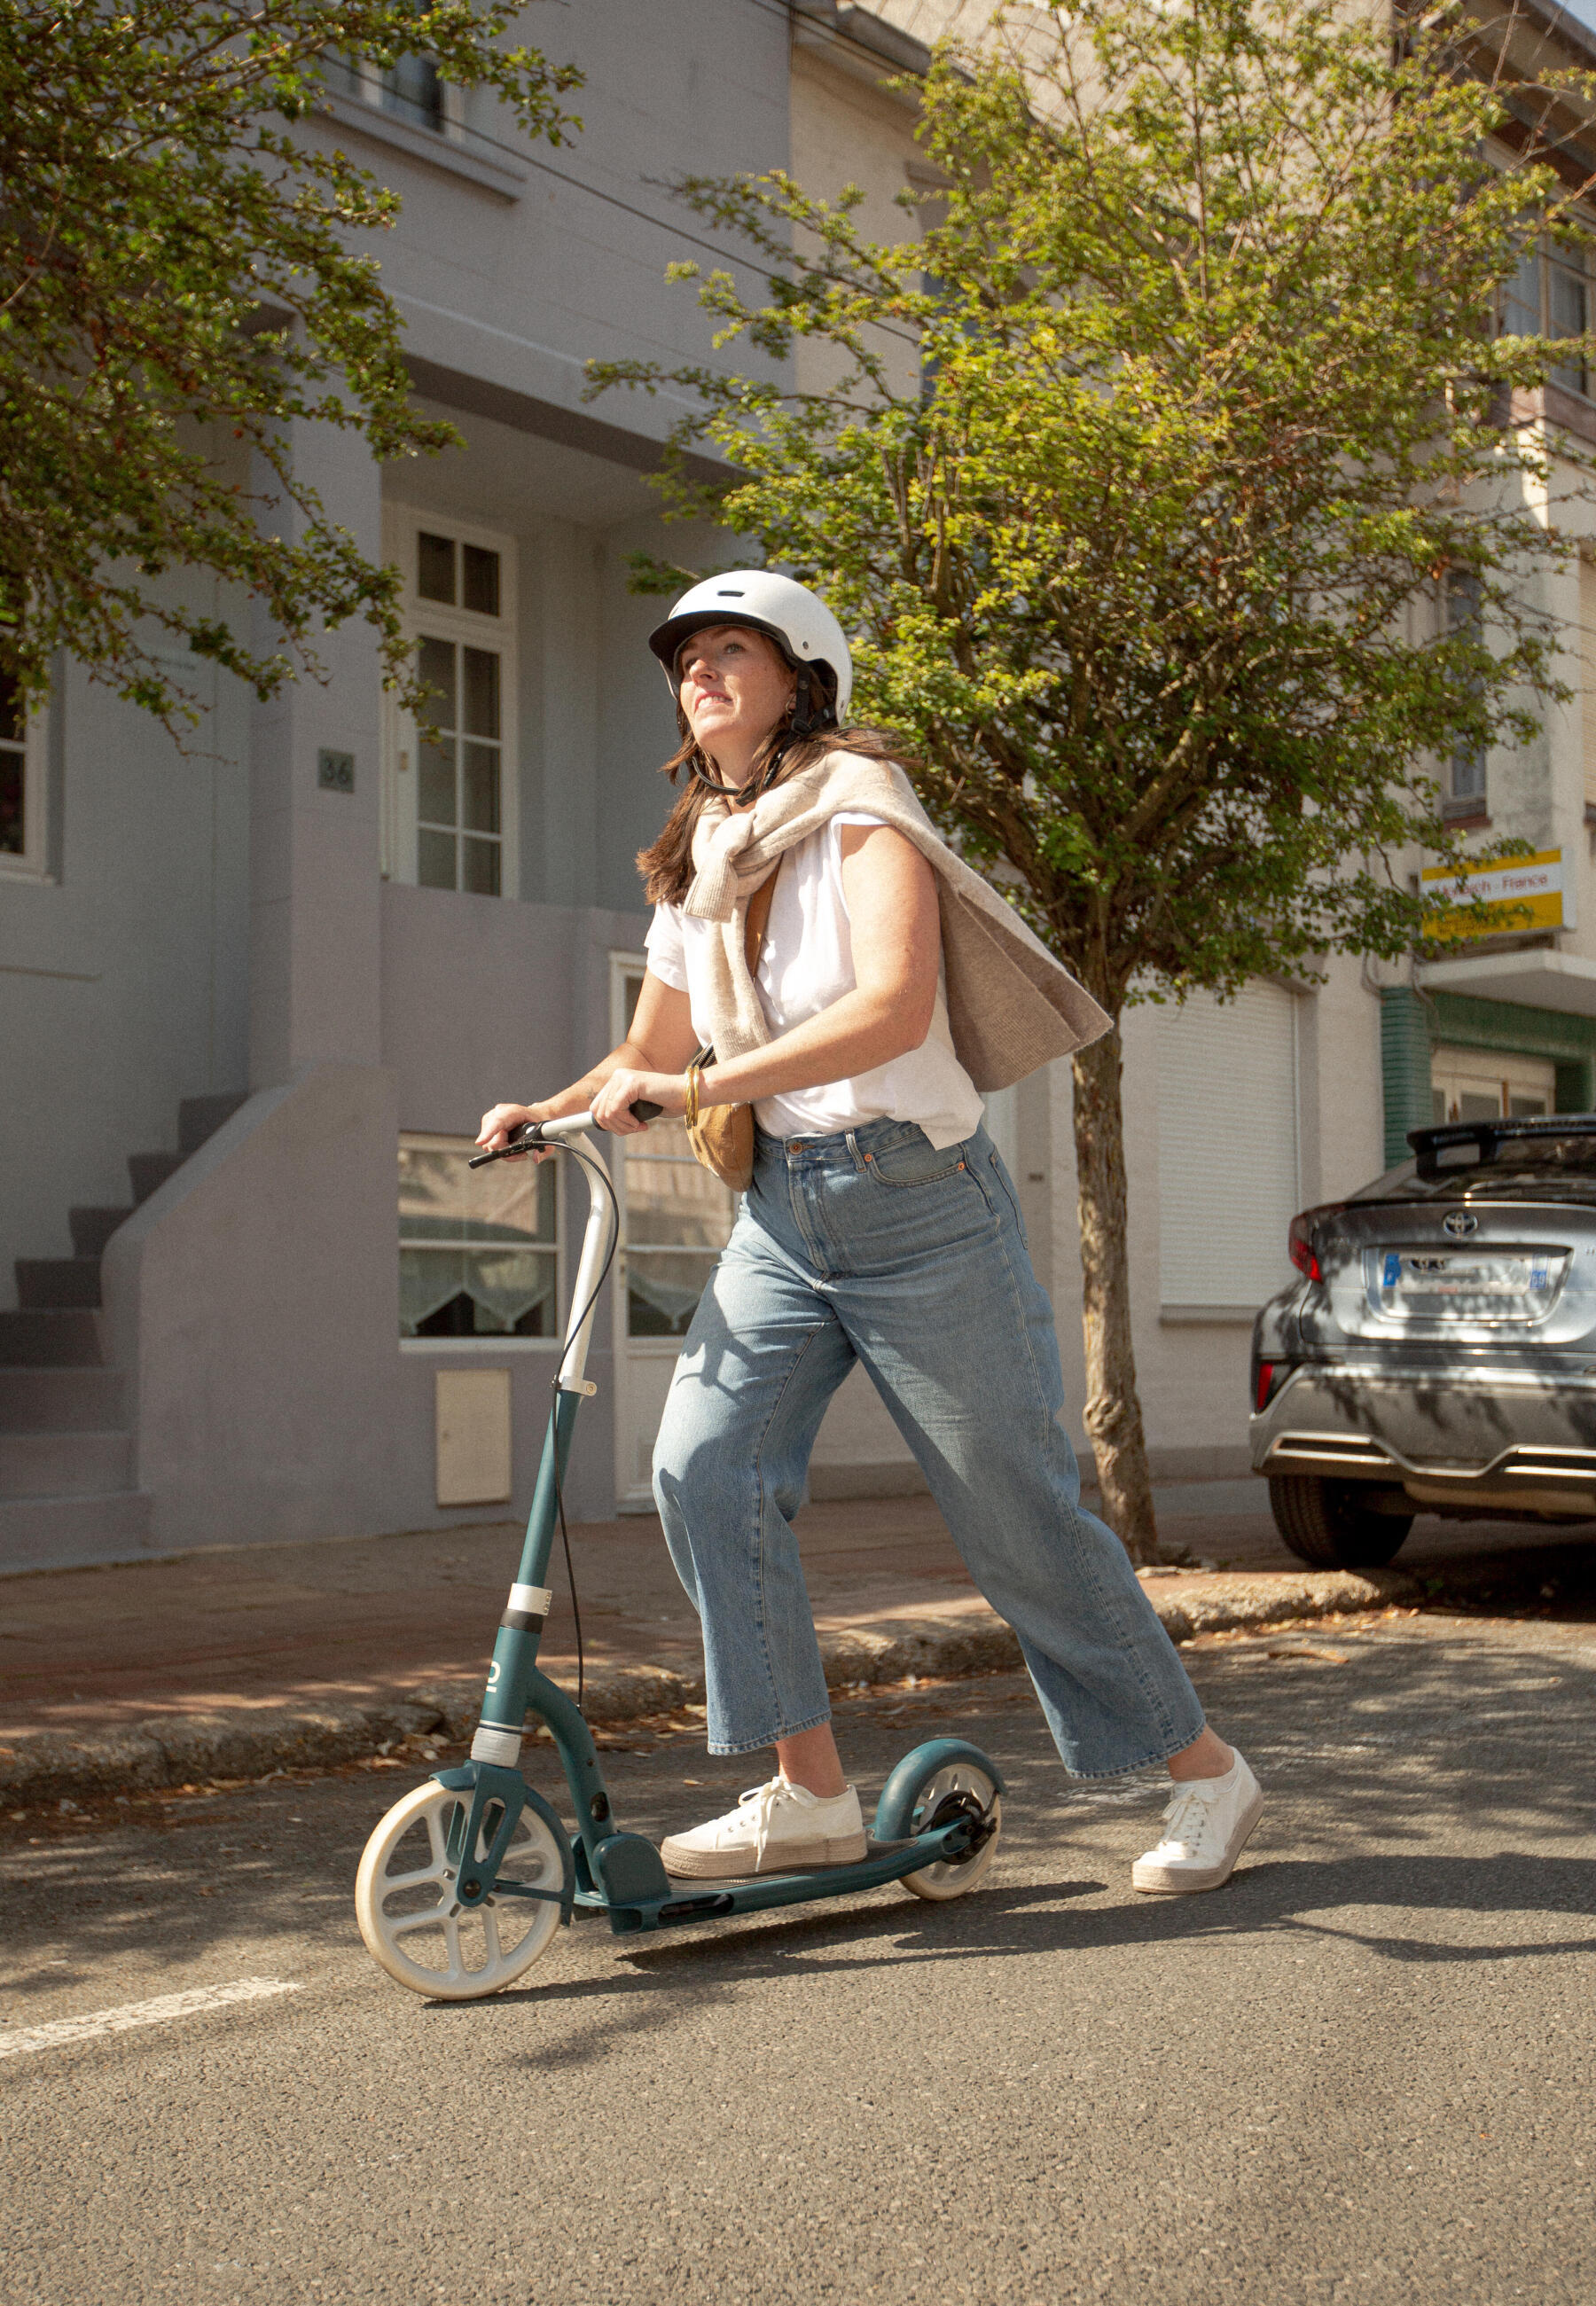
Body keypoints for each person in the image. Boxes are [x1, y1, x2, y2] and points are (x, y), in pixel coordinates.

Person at [478, 570, 1263, 1896]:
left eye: (735, 649)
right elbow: (651, 1049)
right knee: (703, 1468)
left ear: (801, 679)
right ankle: (809, 1796)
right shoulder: (694, 855)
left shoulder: (862, 810)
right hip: (784, 1214)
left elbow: (896, 1010)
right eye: (687, 655)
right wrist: (553, 1107)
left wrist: (703, 1087)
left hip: (920, 1206)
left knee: (1016, 1517)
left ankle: (1208, 1775)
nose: (702, 670)